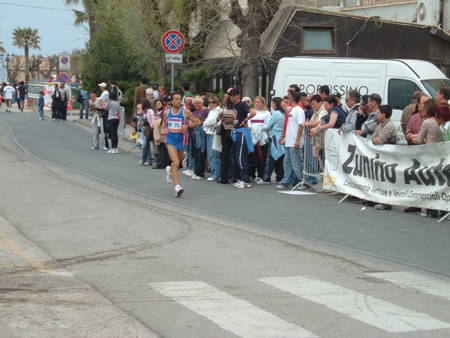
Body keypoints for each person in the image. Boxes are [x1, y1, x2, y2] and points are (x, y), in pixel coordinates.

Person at [161, 92, 198, 197]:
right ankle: (177, 187)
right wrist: (163, 129)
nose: (178, 101)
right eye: (176, 99)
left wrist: (188, 126)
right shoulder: (166, 113)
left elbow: (196, 122)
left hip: (182, 140)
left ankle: (170, 170)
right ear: (172, 101)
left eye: (180, 99)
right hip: (170, 139)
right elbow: (164, 122)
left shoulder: (186, 112)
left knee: (176, 165)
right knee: (176, 162)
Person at [228, 88, 256, 189]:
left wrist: (245, 120)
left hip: (242, 132)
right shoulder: (235, 105)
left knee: (241, 156)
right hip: (237, 132)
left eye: (234, 95)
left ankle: (245, 180)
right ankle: (242, 178)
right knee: (238, 156)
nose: (232, 97)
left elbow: (253, 112)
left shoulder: (242, 104)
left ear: (238, 95)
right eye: (231, 95)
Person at [277, 91, 306, 189]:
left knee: (296, 163)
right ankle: (287, 181)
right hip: (290, 141)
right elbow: (291, 125)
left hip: (294, 141)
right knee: (287, 162)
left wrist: (297, 140)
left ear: (292, 99)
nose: (287, 100)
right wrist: (285, 137)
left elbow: (301, 125)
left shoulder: (299, 110)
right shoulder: (293, 110)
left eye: (289, 98)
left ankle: (303, 181)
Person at [372, 105, 397, 210]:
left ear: (383, 114)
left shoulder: (389, 125)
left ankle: (387, 201)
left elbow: (379, 140)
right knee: (380, 176)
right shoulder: (381, 125)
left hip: (389, 155)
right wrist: (377, 139)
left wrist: (378, 139)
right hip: (382, 154)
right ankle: (381, 199)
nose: (377, 114)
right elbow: (374, 138)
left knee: (387, 177)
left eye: (379, 112)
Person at [258, 97, 285, 184]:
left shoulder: (276, 113)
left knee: (270, 158)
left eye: (273, 103)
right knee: (281, 158)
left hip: (274, 137)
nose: (272, 105)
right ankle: (280, 176)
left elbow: (268, 126)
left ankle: (266, 178)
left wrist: (260, 126)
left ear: (276, 104)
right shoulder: (284, 113)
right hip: (282, 137)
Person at [248, 96, 271, 182]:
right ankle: (251, 174)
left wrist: (260, 127)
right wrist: (253, 128)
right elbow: (248, 123)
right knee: (252, 156)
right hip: (252, 136)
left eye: (259, 102)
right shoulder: (250, 112)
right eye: (256, 102)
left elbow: (268, 125)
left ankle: (261, 174)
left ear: (263, 103)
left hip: (262, 137)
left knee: (262, 156)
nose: (257, 104)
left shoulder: (267, 113)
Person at [202, 95, 221, 181]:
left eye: (213, 102)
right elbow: (206, 122)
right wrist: (205, 123)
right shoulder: (211, 111)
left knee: (214, 155)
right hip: (209, 133)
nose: (211, 104)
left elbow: (210, 121)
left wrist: (205, 123)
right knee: (210, 155)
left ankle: (216, 174)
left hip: (214, 134)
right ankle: (214, 173)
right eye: (209, 102)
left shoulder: (217, 111)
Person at [153, 98, 169, 169]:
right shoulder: (158, 111)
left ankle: (161, 164)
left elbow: (163, 121)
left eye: (159, 103)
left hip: (161, 131)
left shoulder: (163, 112)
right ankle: (164, 163)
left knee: (161, 148)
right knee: (162, 147)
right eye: (156, 104)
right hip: (159, 130)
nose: (157, 105)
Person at [139, 98, 155, 166]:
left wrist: (152, 125)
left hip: (148, 128)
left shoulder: (150, 111)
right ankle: (148, 160)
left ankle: (144, 159)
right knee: (146, 145)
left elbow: (153, 118)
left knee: (145, 145)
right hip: (144, 128)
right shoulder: (144, 111)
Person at [99, 82, 110, 150]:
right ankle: (105, 142)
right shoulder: (105, 93)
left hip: (104, 109)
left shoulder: (105, 93)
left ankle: (106, 144)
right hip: (104, 109)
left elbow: (100, 100)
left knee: (103, 126)